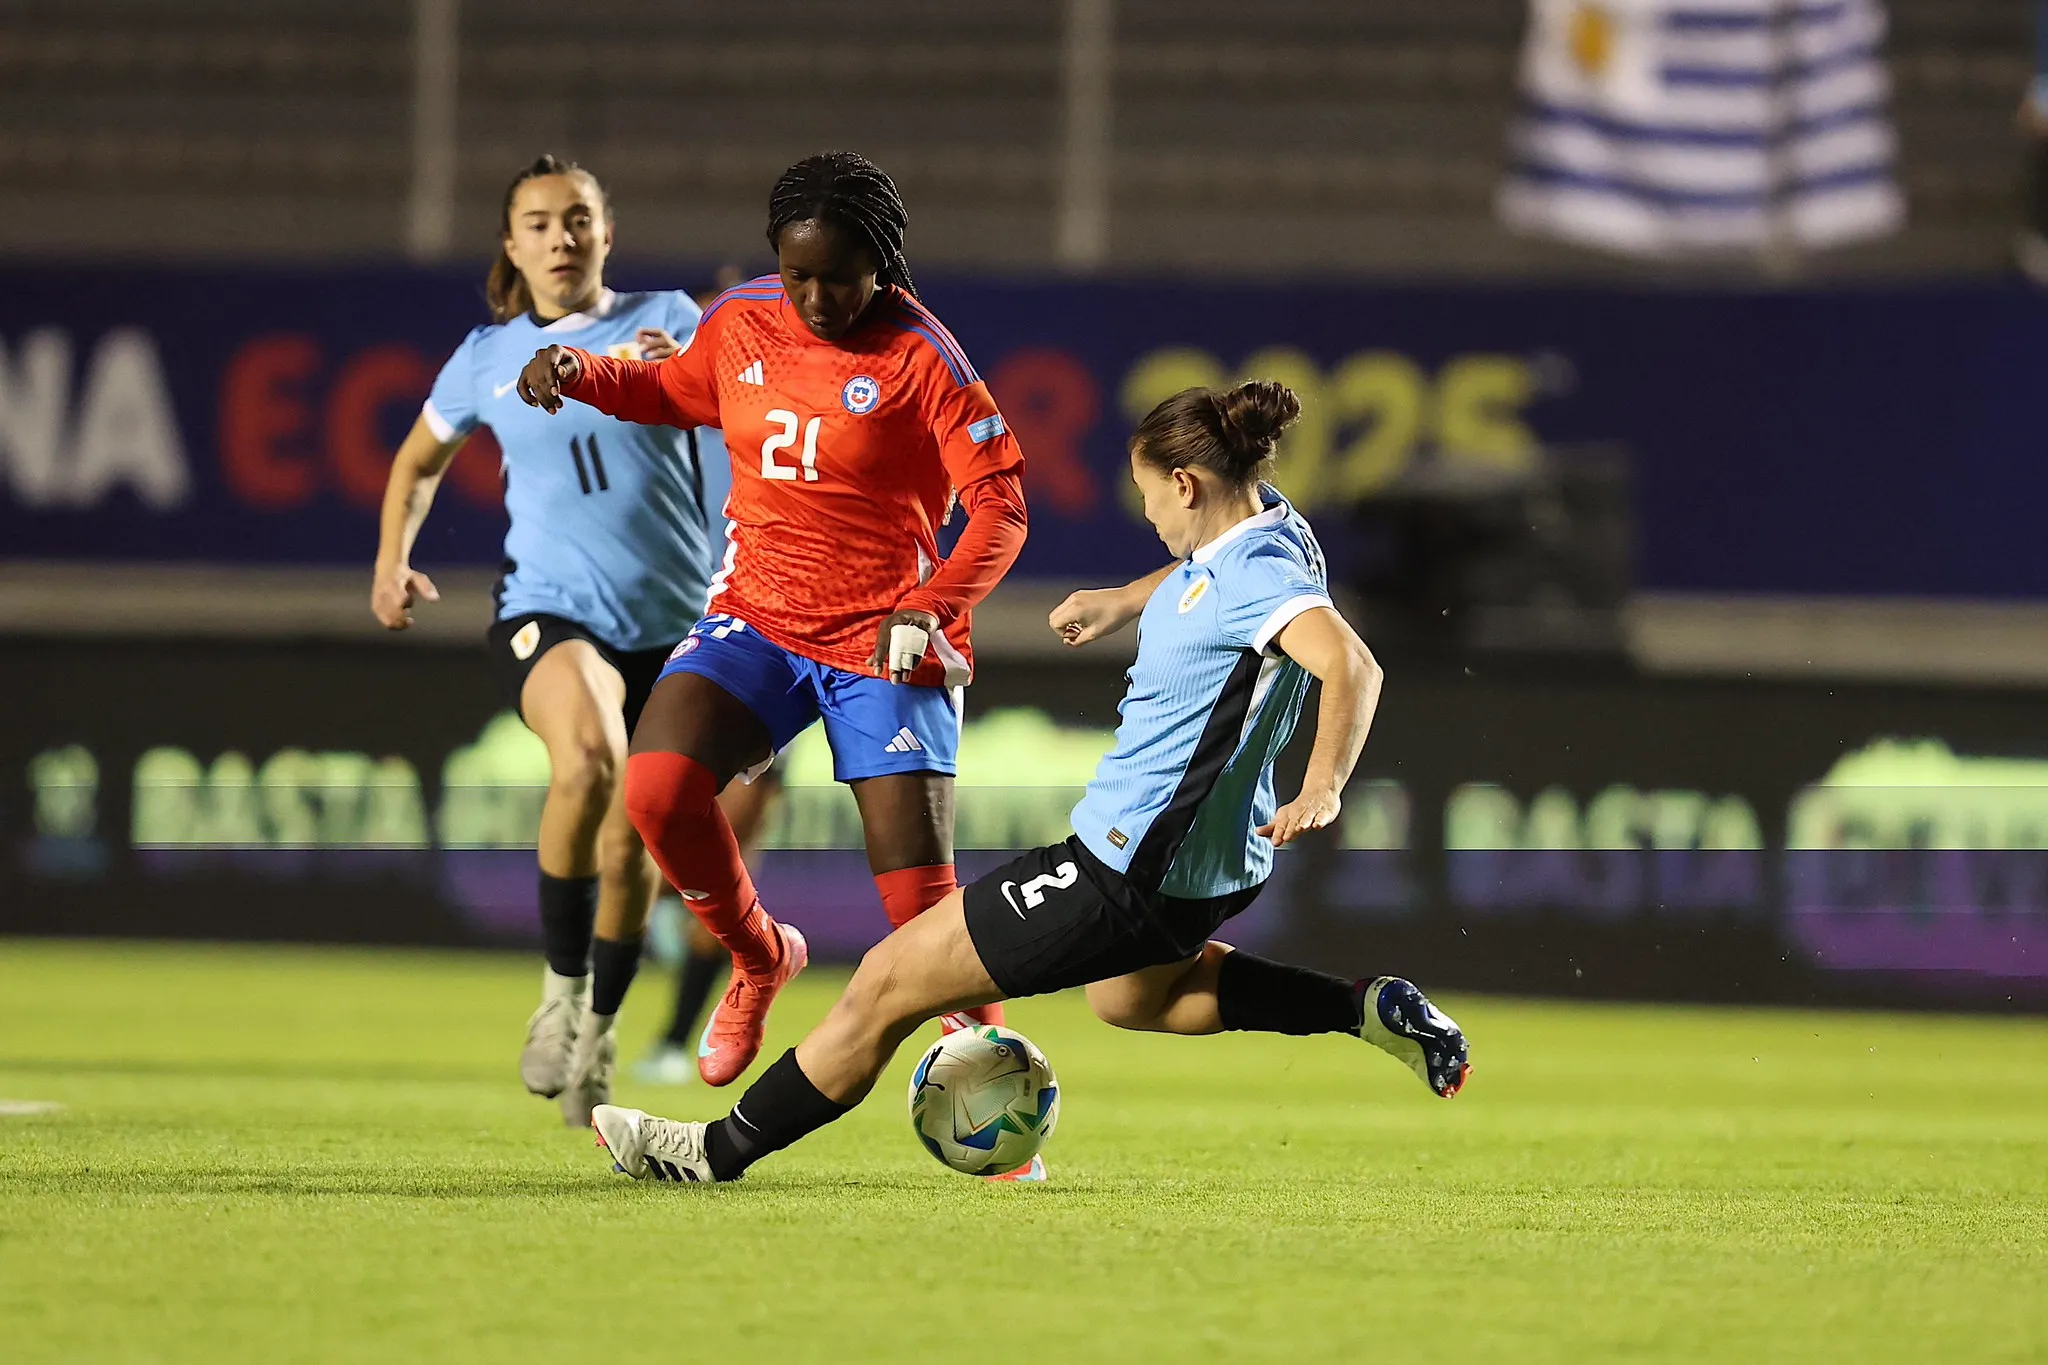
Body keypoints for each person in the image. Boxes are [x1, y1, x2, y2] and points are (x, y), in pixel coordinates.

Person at [582, 380, 1472, 1187]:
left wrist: (1323, 786)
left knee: (887, 981)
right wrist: (1128, 596)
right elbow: (1208, 569)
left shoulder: (1256, 572)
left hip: (1124, 871)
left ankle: (710, 1153)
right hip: (1212, 873)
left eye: (1152, 496)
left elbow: (1351, 662)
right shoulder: (1274, 525)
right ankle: (1365, 1009)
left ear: (1188, 486)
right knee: (1134, 997)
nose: (1152, 515)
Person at [515, 154, 1034, 1146]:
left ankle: (1004, 1120)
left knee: (918, 908)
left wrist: (931, 605)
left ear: (881, 265)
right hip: (755, 616)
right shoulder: (744, 316)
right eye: (796, 274)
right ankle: (758, 959)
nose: (814, 297)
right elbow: (677, 391)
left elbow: (1002, 513)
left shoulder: (924, 355)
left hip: (885, 636)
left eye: (836, 276)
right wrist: (587, 374)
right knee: (657, 790)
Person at [371, 155, 773, 1125]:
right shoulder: (483, 357)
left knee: (635, 840)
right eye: (540, 223)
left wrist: (671, 376)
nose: (561, 236)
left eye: (578, 219)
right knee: (587, 759)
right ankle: (556, 996)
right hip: (551, 609)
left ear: (605, 232)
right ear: (512, 245)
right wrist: (393, 560)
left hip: (678, 626)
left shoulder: (673, 319)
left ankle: (596, 1028)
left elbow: (756, 404)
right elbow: (419, 460)